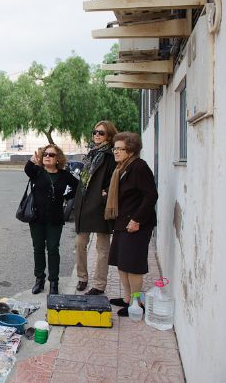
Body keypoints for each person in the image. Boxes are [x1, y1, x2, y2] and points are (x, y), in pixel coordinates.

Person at [105, 132, 158, 316]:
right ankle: (127, 299)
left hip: (136, 225)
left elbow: (151, 195)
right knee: (122, 263)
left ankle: (137, 303)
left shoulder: (139, 167)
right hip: (122, 222)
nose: (116, 152)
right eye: (115, 148)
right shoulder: (121, 167)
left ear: (131, 150)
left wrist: (136, 220)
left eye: (120, 149)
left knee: (133, 265)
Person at [24, 145, 79, 295]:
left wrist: (67, 197)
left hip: (55, 219)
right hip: (36, 218)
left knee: (53, 249)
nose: (47, 156)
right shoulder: (37, 172)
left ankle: (54, 282)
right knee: (38, 248)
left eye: (51, 155)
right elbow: (27, 170)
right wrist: (31, 160)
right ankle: (39, 280)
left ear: (58, 159)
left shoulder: (65, 175)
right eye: (45, 154)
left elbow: (77, 187)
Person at [73, 121, 117, 295]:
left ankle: (99, 284)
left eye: (101, 133)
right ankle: (82, 277)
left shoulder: (111, 155)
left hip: (100, 206)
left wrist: (104, 193)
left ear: (109, 136)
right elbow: (84, 180)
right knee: (80, 243)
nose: (97, 135)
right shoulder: (91, 154)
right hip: (84, 205)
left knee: (102, 248)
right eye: (95, 132)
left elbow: (115, 178)